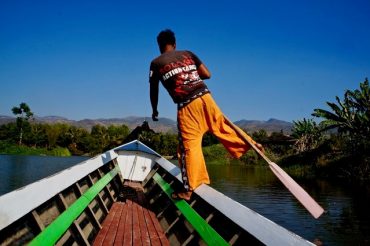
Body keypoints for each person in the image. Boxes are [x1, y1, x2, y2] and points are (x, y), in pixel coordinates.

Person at [149, 29, 263, 201]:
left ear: (159, 46)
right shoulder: (188, 54)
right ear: (175, 43)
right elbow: (207, 74)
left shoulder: (156, 63)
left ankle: (188, 191)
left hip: (187, 105)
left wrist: (155, 110)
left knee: (189, 147)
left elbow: (153, 89)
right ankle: (252, 144)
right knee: (222, 126)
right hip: (206, 97)